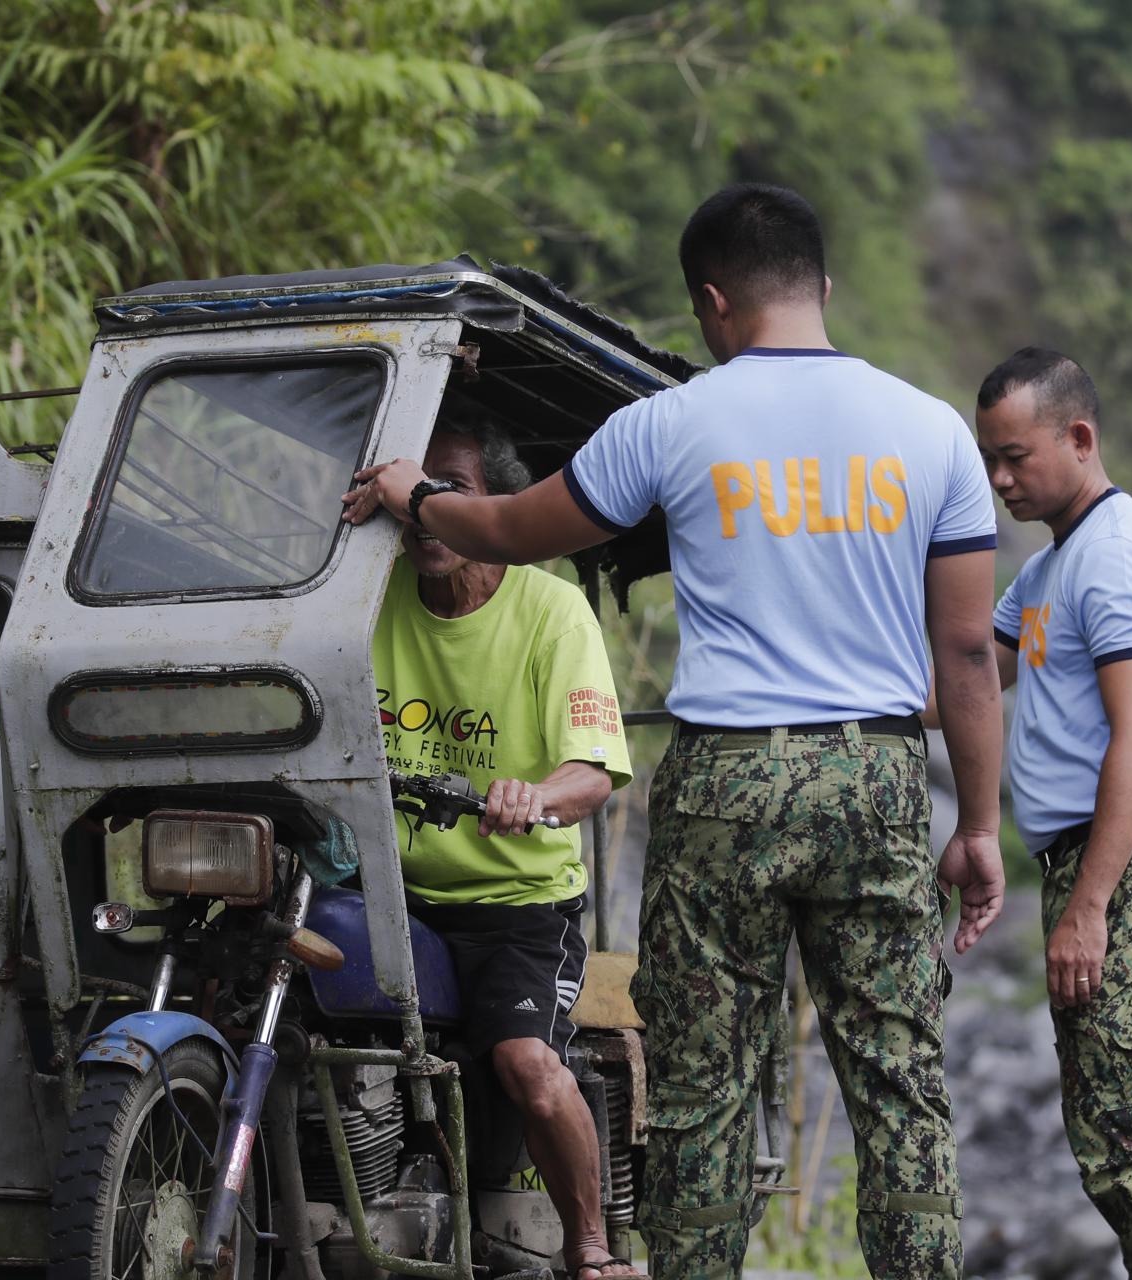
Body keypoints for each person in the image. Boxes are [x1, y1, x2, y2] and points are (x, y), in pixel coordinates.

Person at [343, 182, 1006, 1280]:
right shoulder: (930, 431)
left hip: (728, 785)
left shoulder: (672, 421)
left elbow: (510, 528)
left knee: (703, 1087)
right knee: (898, 1082)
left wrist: (417, 497)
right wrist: (976, 823)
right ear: (824, 287)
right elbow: (971, 655)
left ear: (711, 301)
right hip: (878, 773)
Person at [970, 347, 1132, 1275]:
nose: (1002, 480)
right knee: (1111, 1142)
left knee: (1130, 1133)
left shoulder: (1115, 555)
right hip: (1095, 867)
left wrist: (1090, 908)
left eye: (1017, 457)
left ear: (1080, 438)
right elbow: (969, 681)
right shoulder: (1050, 570)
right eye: (990, 461)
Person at [371, 404, 639, 1280]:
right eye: (414, 493)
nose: (426, 514)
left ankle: (589, 1247)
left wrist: (537, 796)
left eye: (450, 493)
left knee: (528, 1062)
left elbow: (593, 772)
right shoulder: (365, 604)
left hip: (519, 908)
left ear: (494, 507)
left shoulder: (551, 612)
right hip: (391, 896)